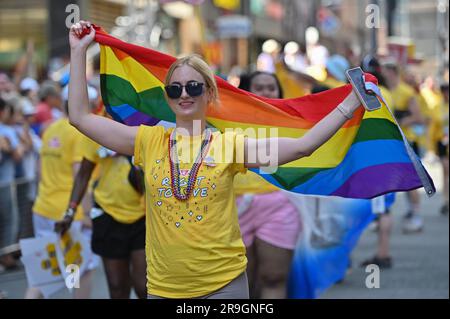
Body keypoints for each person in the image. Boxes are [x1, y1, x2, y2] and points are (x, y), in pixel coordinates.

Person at [68, 20, 361, 299]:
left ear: (209, 93)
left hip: (223, 284)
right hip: (164, 287)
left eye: (194, 87)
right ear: (168, 98)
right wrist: (78, 51)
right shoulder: (148, 141)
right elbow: (80, 117)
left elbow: (303, 147)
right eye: (175, 89)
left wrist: (350, 103)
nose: (184, 94)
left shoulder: (228, 146)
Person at [55, 126, 147, 299]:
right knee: (117, 287)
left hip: (143, 217)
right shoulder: (95, 128)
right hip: (108, 216)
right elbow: (83, 174)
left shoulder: (142, 125)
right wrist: (70, 211)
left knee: (144, 287)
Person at [25, 88, 97, 299]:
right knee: (82, 268)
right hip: (68, 214)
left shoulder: (51, 128)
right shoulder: (81, 132)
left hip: (43, 209)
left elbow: (40, 170)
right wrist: (85, 213)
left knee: (44, 273)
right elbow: (80, 176)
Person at [236, 71, 301, 298]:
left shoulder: (291, 118)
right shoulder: (225, 117)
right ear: (246, 90)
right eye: (259, 87)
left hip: (279, 205)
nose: (266, 92)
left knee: (273, 277)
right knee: (244, 282)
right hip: (232, 208)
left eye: (271, 87)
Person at [382, 62, 425, 234]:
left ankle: (416, 216)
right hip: (392, 141)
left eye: (385, 70)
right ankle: (382, 216)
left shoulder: (406, 92)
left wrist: (399, 123)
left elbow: (419, 117)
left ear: (392, 71)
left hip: (407, 140)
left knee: (410, 180)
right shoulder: (384, 90)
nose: (382, 73)